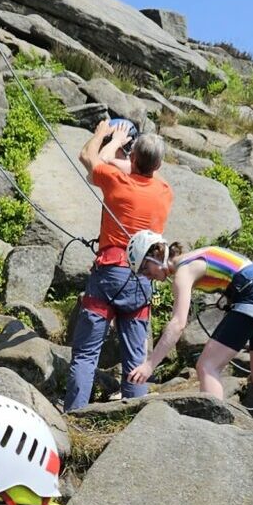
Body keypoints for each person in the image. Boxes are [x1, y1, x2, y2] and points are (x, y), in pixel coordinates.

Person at [61, 119, 174, 412]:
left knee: (86, 355)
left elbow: (89, 157)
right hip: (142, 279)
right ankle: (134, 419)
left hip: (109, 273)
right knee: (136, 358)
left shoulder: (116, 181)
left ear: (133, 158)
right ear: (158, 164)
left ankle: (74, 416)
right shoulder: (164, 192)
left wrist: (105, 134)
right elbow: (139, 168)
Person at [125, 235, 253, 418]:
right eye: (140, 272)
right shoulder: (194, 257)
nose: (146, 275)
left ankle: (213, 430)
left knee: (207, 366)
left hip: (252, 298)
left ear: (156, 254)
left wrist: (149, 365)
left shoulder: (184, 271)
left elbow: (178, 324)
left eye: (144, 267)